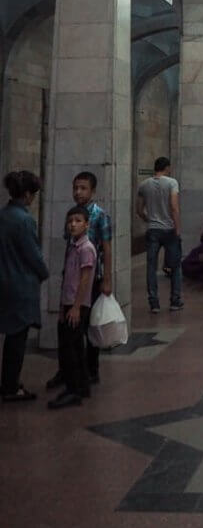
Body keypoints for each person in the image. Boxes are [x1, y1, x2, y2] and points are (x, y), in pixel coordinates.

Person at [46, 171, 112, 393]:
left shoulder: (100, 215)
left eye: (83, 188)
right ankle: (66, 371)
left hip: (92, 278)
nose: (78, 192)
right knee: (66, 327)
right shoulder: (73, 215)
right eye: (75, 188)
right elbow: (69, 246)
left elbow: (107, 248)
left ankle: (90, 370)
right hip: (73, 277)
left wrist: (107, 280)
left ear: (93, 191)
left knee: (88, 325)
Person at [0, 170, 48, 403]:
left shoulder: (3, 215)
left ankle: (8, 382)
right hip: (20, 286)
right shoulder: (24, 219)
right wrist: (44, 272)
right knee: (16, 340)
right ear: (27, 194)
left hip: (4, 282)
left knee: (10, 335)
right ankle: (10, 386)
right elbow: (33, 255)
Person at [48, 205, 98, 409]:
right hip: (68, 303)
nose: (73, 224)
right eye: (70, 221)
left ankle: (73, 390)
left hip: (78, 305)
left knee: (69, 349)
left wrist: (77, 307)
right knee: (75, 347)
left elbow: (85, 280)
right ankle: (82, 386)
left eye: (78, 221)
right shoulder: (73, 246)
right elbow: (67, 278)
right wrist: (63, 307)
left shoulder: (87, 248)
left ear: (87, 224)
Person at [137, 157, 183, 313]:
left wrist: (149, 219)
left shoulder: (144, 185)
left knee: (151, 267)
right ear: (167, 168)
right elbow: (174, 207)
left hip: (153, 230)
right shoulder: (172, 183)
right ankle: (175, 301)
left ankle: (154, 303)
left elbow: (139, 209)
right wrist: (177, 228)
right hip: (169, 229)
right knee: (175, 266)